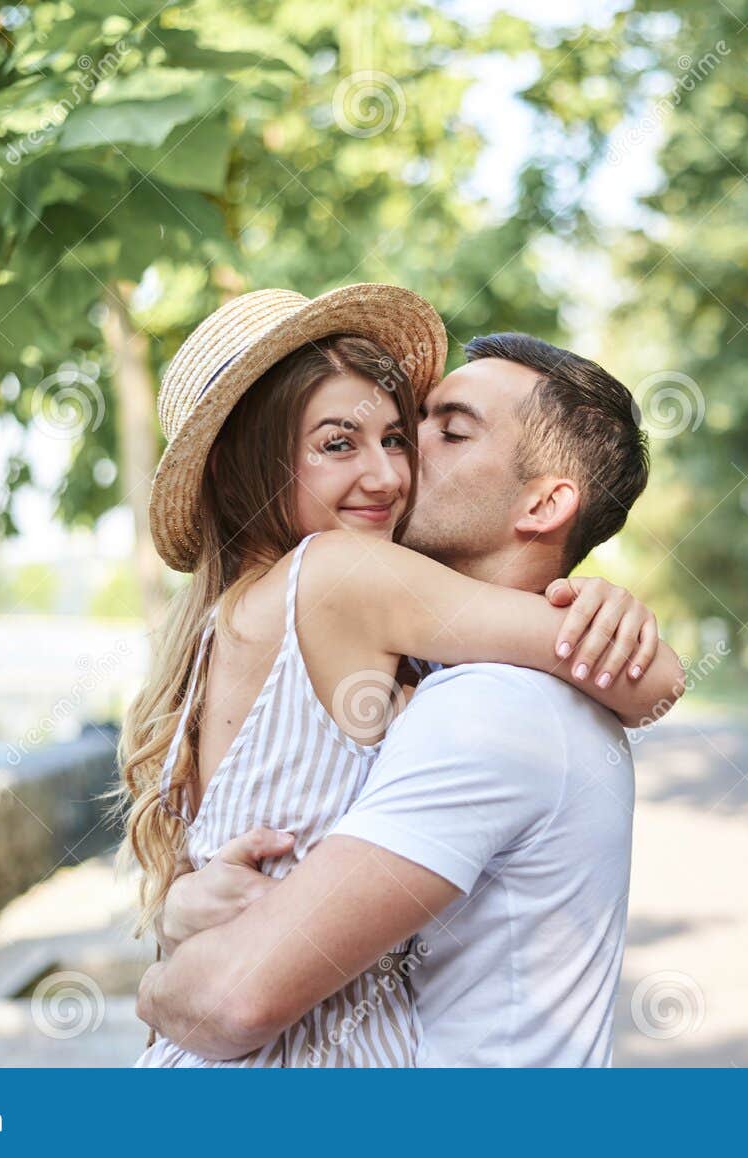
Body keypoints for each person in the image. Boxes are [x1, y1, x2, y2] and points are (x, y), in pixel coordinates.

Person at [120, 285, 684, 1067]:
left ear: (547, 502)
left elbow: (209, 980)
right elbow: (654, 681)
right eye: (339, 443)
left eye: (417, 435)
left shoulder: (247, 626)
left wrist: (170, 944)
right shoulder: (345, 578)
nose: (396, 470)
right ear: (249, 464)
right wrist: (612, 629)